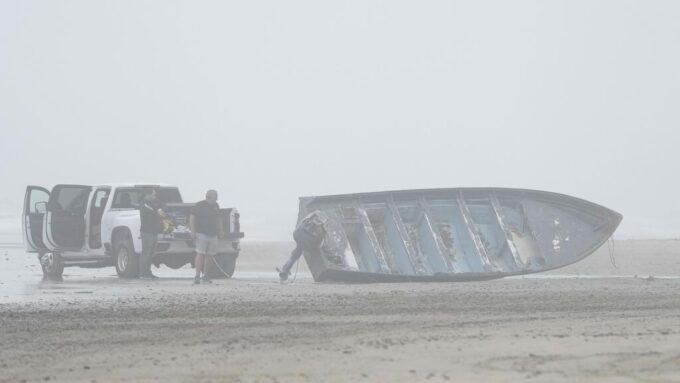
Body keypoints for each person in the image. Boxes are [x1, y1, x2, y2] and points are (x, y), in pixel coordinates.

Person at [277, 210, 328, 282]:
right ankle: (285, 270)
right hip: (306, 243)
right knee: (295, 255)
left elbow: (299, 228)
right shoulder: (321, 229)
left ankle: (285, 270)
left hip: (299, 237)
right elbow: (319, 244)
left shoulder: (308, 220)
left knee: (295, 255)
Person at [190, 190, 224, 284]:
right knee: (200, 254)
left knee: (210, 255)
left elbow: (219, 218)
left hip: (213, 234)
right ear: (208, 196)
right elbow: (192, 217)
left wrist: (221, 230)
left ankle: (205, 275)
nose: (217, 199)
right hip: (201, 233)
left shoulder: (216, 206)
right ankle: (197, 276)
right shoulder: (199, 205)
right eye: (215, 197)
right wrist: (193, 231)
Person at [139, 189, 163, 279]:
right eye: (153, 195)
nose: (155, 197)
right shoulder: (144, 204)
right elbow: (152, 211)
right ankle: (143, 273)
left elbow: (162, 205)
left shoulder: (154, 202)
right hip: (146, 231)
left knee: (151, 253)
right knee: (146, 253)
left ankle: (148, 272)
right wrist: (158, 210)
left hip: (154, 231)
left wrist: (160, 208)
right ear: (148, 195)